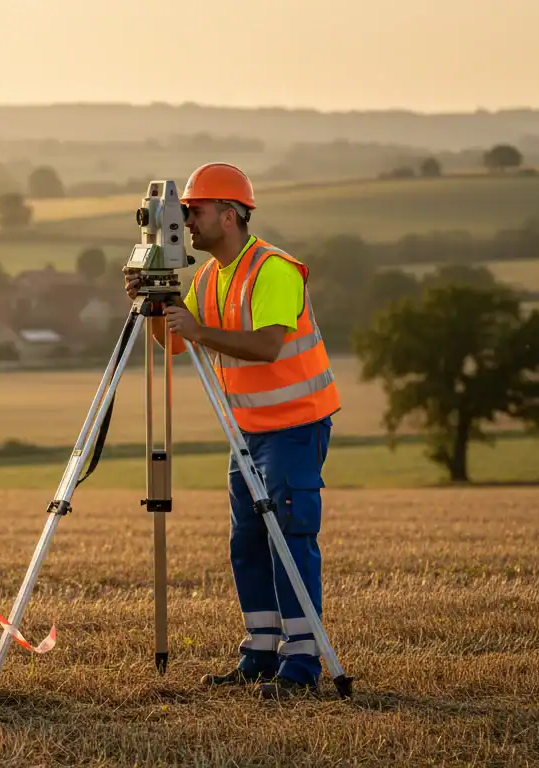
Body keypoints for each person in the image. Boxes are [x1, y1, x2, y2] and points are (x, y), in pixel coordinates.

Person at [124, 162, 341, 699]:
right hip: (246, 433)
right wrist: (151, 304)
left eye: (194, 212)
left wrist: (199, 329)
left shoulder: (274, 270)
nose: (186, 222)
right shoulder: (209, 276)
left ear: (229, 213)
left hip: (294, 426)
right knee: (247, 543)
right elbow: (173, 344)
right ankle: (260, 652)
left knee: (290, 540)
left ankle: (302, 664)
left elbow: (267, 346)